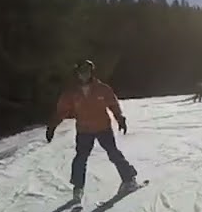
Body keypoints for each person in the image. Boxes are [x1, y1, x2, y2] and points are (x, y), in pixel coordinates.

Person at [46, 59, 139, 201]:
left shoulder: (102, 88)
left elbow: (113, 104)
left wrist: (120, 118)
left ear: (91, 73)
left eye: (87, 72)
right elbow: (62, 111)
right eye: (81, 72)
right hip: (84, 130)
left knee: (113, 153)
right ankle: (78, 188)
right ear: (77, 74)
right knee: (80, 158)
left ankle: (129, 179)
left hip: (103, 128)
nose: (84, 75)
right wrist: (52, 126)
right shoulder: (72, 93)